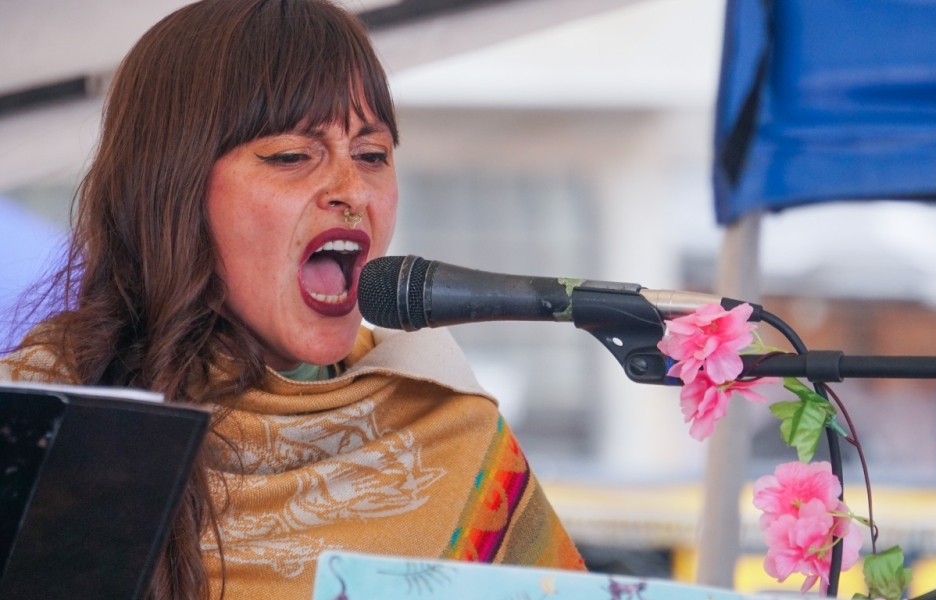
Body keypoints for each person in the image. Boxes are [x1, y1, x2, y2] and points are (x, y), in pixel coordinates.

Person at [0, 1, 585, 598]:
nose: (352, 190)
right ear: (169, 191)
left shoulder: (452, 438)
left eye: (372, 155)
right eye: (290, 156)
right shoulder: (40, 427)